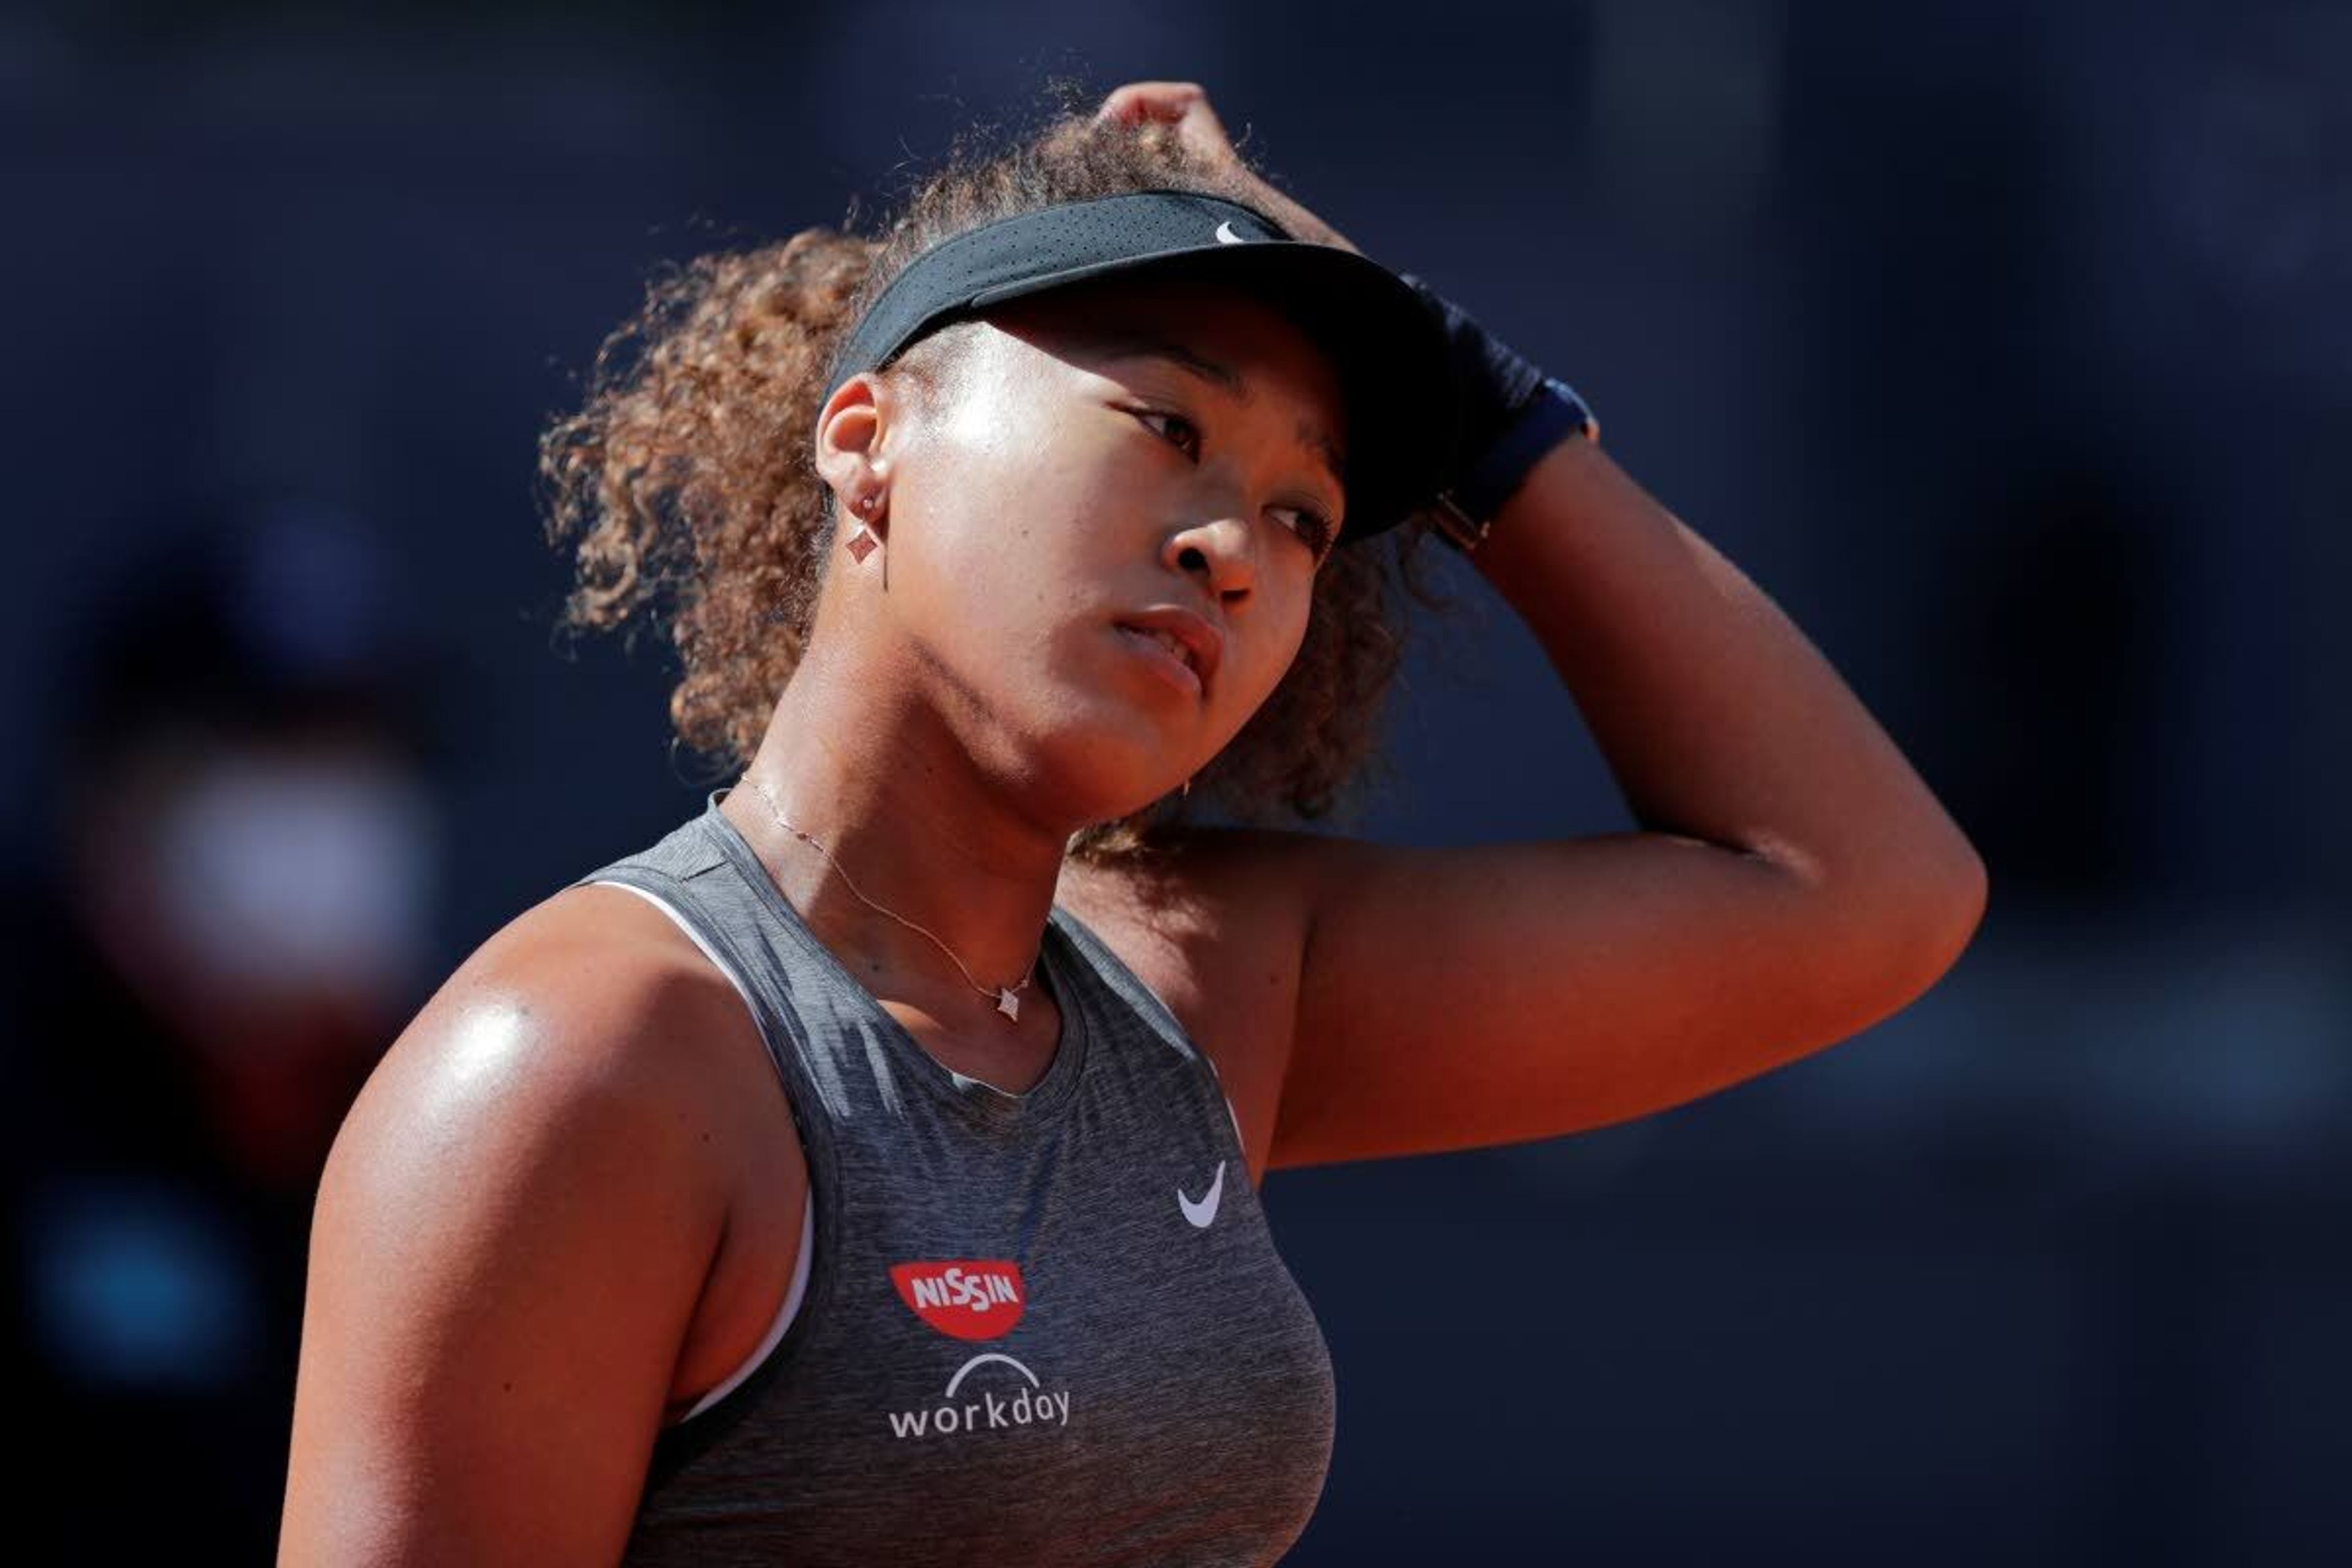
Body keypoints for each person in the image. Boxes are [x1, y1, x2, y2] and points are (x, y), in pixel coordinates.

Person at [279, 79, 1986, 1566]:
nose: (1236, 550)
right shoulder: (583, 1064)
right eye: (1168, 426)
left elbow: (1864, 892)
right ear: (870, 443)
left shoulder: (1201, 989)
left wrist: (1481, 409)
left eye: (1306, 516)